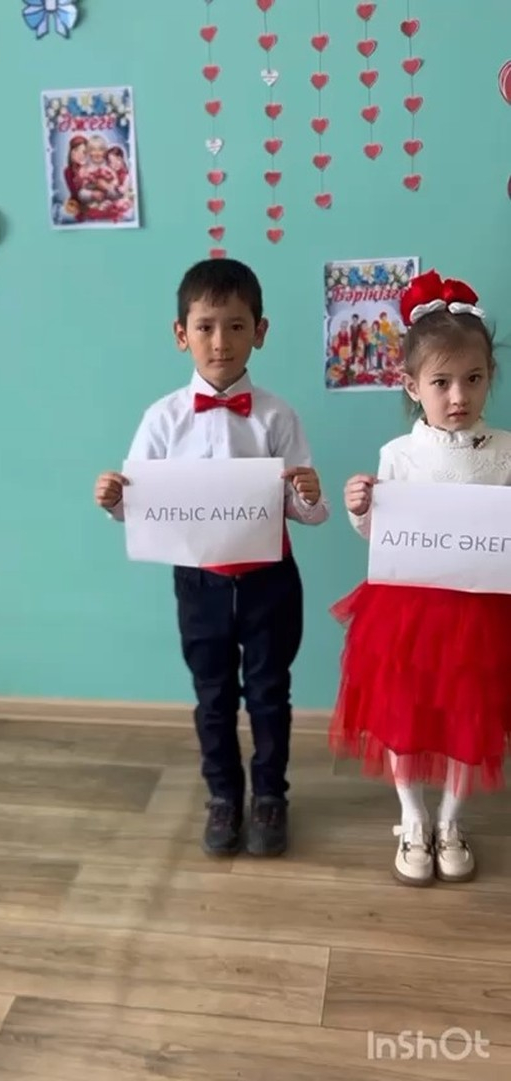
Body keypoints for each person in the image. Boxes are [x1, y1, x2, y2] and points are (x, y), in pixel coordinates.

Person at [95, 258, 329, 858]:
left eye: (236, 325)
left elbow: (307, 511)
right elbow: (140, 507)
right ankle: (224, 797)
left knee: (270, 693)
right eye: (205, 327)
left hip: (271, 580)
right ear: (182, 334)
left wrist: (307, 495)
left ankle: (270, 797)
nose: (220, 341)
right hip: (199, 583)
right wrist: (116, 499)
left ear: (260, 331)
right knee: (213, 694)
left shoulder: (278, 415)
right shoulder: (162, 419)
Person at [330, 268, 511, 887]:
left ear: (489, 376)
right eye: (441, 382)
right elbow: (381, 537)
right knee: (403, 715)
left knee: (470, 717)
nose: (458, 395)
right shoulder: (398, 454)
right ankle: (412, 816)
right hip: (408, 615)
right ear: (412, 386)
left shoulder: (506, 451)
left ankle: (451, 821)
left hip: (480, 614)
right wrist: (362, 507)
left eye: (473, 379)